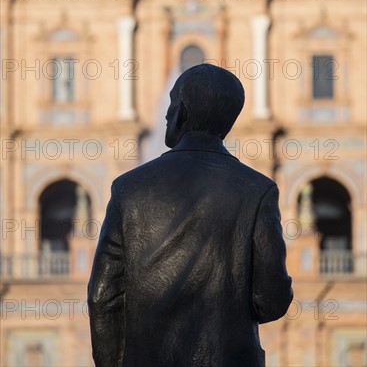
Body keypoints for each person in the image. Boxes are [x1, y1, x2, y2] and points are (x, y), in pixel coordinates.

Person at [88, 64, 293, 367]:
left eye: (171, 104)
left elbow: (101, 297)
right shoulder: (258, 190)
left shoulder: (128, 189)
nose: (166, 114)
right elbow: (272, 301)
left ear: (181, 111)